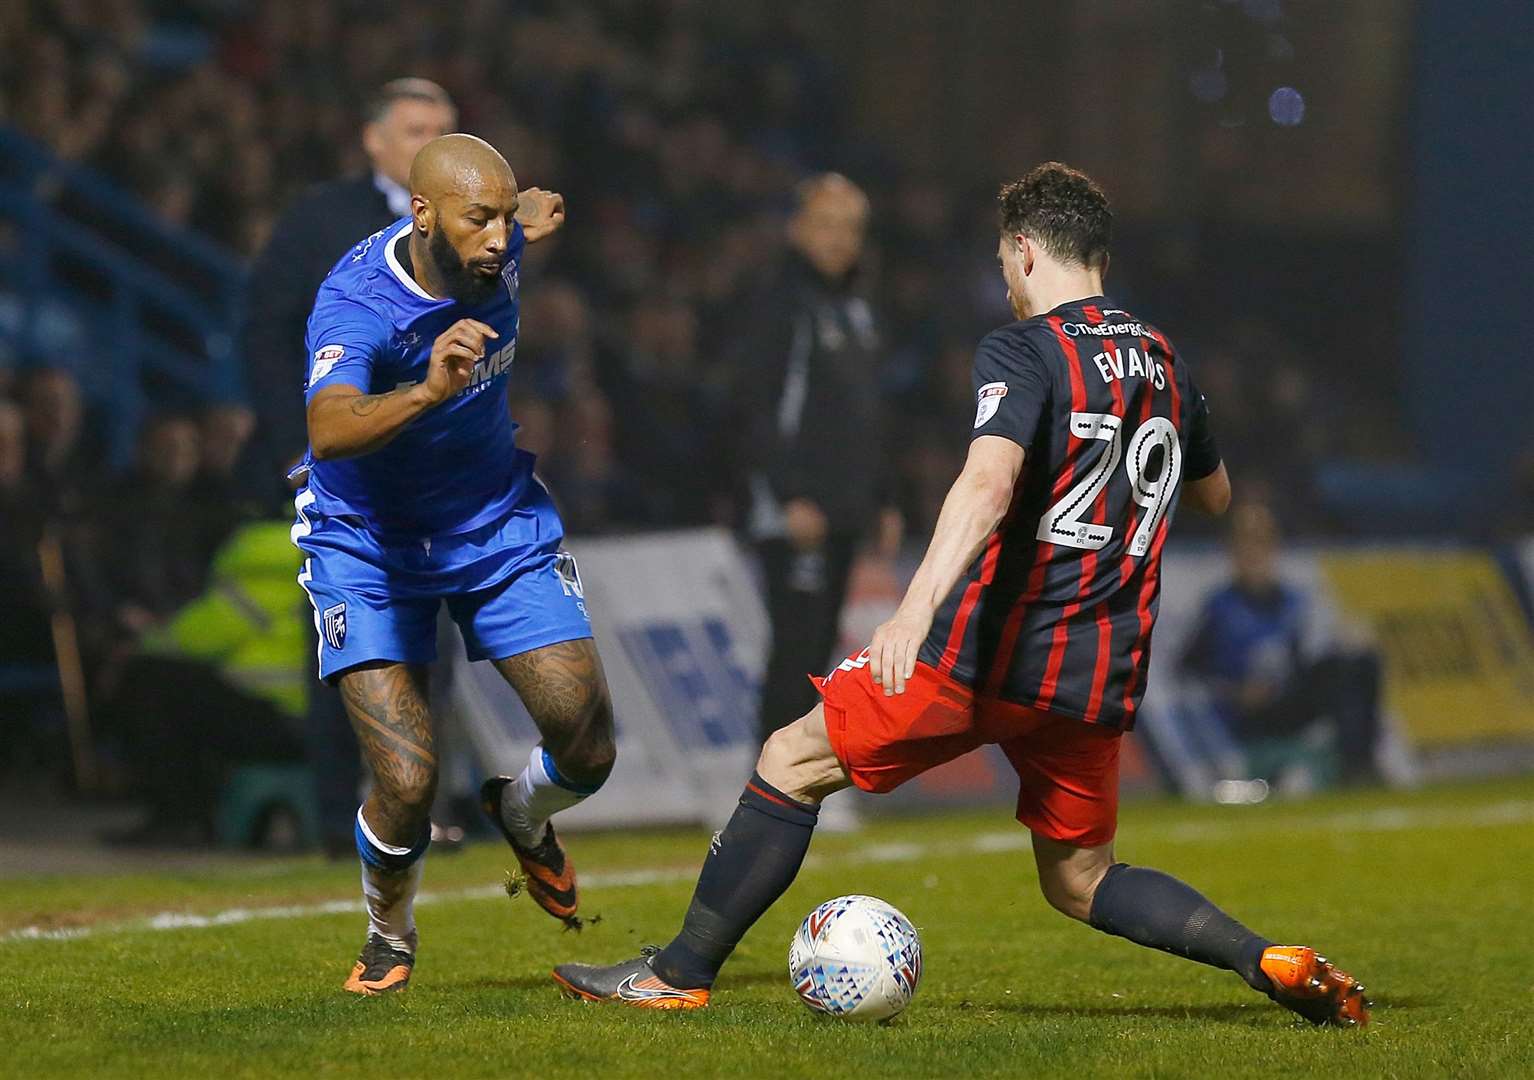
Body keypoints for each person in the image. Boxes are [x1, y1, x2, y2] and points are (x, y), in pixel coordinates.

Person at [552, 163, 1371, 1027]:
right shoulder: (1164, 358)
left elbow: (985, 484)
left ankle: (677, 972)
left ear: (1024, 251)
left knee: (790, 761)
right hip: (1096, 672)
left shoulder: (1024, 348)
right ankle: (1262, 957)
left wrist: (913, 609)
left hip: (989, 652)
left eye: (1002, 261)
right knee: (1083, 881)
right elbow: (1215, 496)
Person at [294, 134, 615, 995]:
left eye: (508, 218)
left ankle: (520, 810)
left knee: (588, 747)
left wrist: (526, 214)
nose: (501, 239)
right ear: (422, 216)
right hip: (370, 543)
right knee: (406, 780)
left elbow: (515, 225)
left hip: (493, 523)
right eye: (482, 219)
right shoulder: (356, 304)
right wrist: (427, 392)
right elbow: (327, 430)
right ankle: (388, 934)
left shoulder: (491, 251)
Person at [241, 78, 456, 858]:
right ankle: (341, 813)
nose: (429, 142)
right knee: (341, 634)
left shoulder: (466, 227)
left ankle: (418, 805)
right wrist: (295, 443)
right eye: (414, 127)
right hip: (342, 461)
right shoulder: (322, 221)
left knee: (433, 637)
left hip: (434, 464)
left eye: (442, 129)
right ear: (374, 139)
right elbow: (264, 329)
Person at [738, 174, 901, 753]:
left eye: (850, 228)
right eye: (826, 224)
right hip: (798, 507)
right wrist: (787, 496)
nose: (838, 240)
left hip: (845, 506)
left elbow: (868, 413)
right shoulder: (782, 304)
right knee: (797, 646)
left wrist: (882, 498)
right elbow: (759, 405)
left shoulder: (857, 308)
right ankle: (772, 782)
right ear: (797, 228)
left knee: (820, 647)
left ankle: (798, 777)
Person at [1180, 503, 1383, 787]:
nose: (1253, 550)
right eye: (1245, 541)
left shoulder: (1293, 602)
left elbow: (1306, 662)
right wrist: (1235, 693)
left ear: (1273, 547)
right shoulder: (1219, 607)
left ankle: (1360, 765)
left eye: (1261, 540)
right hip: (1250, 714)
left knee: (1359, 661)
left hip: (1286, 699)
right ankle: (1352, 767)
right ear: (1232, 549)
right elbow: (1185, 672)